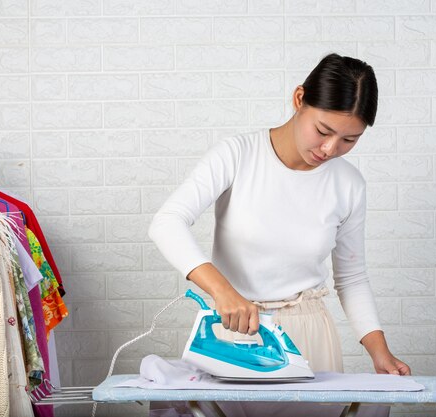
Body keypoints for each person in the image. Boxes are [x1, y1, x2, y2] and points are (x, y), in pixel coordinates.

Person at [148, 53, 410, 416]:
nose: (330, 149)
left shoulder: (348, 184)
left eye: (349, 140)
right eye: (323, 131)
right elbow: (167, 222)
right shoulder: (238, 155)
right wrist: (224, 292)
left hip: (309, 337)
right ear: (299, 99)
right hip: (235, 328)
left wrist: (380, 354)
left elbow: (351, 277)